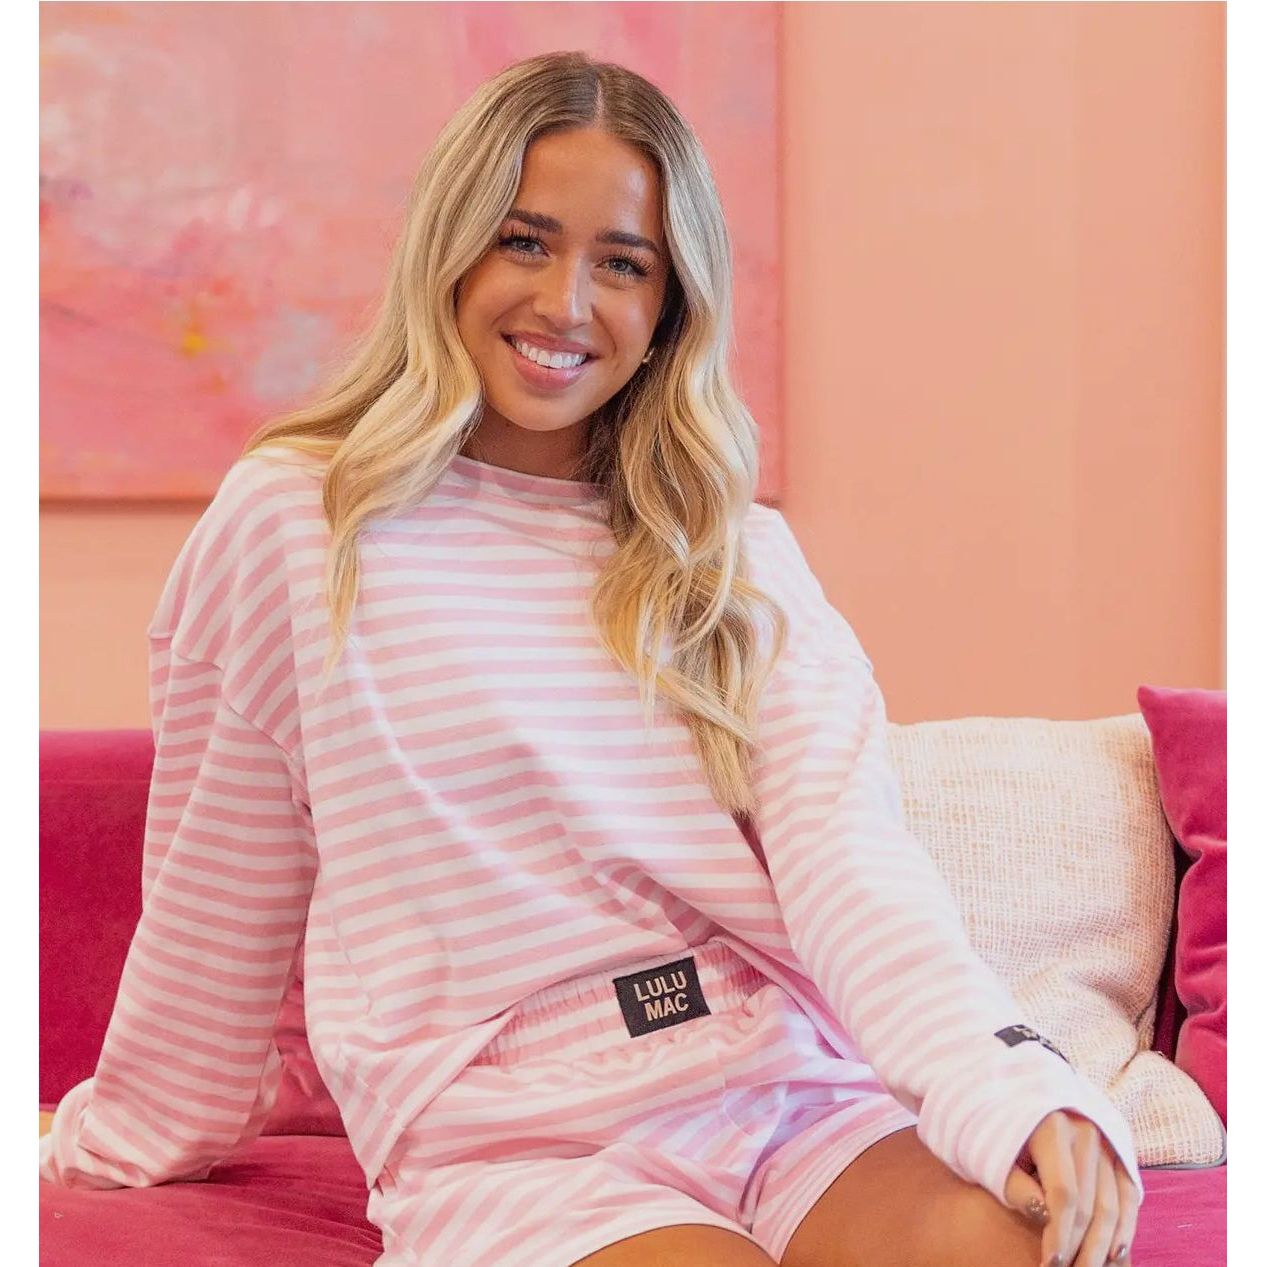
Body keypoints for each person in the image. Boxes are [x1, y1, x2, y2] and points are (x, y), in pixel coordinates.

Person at [40, 50, 1142, 1267]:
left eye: (623, 263)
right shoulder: (300, 522)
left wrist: (1009, 1087)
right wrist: (130, 1131)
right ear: (448, 249)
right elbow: (218, 887)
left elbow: (851, 859)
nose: (566, 302)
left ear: (671, 303)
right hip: (519, 1144)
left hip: (783, 1084)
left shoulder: (734, 552)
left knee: (1029, 1250)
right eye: (524, 241)